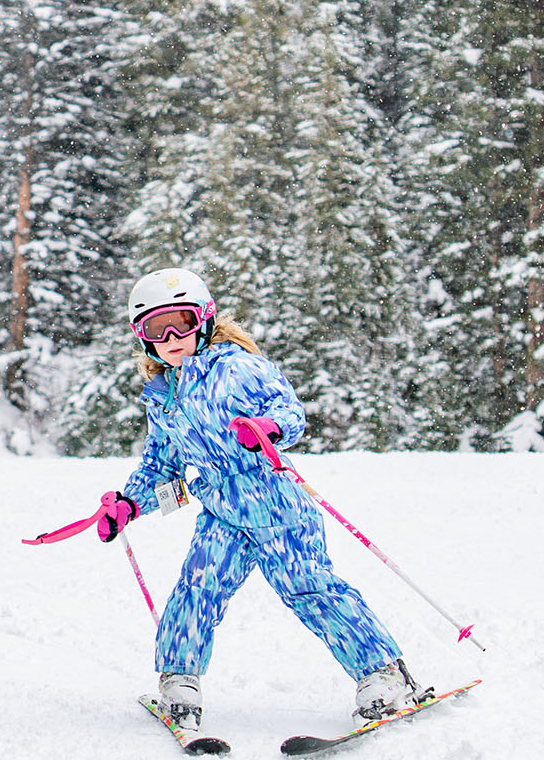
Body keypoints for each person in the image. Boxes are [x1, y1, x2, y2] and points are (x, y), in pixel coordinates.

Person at [92, 267, 425, 730]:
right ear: (141, 336)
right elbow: (161, 466)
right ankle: (179, 680)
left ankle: (384, 674)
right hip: (222, 513)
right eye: (155, 328)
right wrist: (130, 504)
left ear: (204, 320)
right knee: (197, 589)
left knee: (309, 588)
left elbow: (288, 411)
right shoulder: (163, 396)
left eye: (181, 323)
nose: (170, 338)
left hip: (277, 506)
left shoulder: (237, 368)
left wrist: (268, 429)